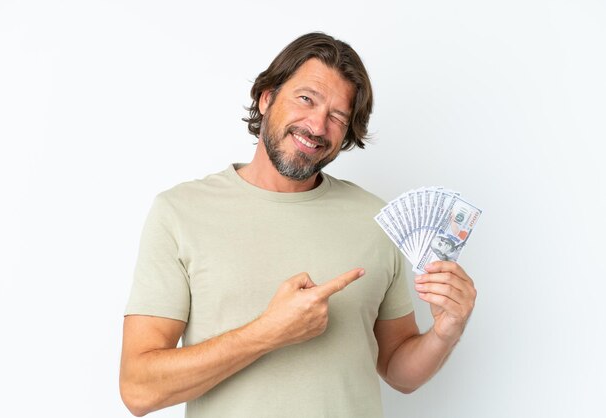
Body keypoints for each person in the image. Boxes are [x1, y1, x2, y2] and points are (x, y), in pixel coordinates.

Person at [120, 32, 477, 418]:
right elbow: (139, 390)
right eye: (306, 99)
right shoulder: (180, 212)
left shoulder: (377, 221)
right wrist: (266, 333)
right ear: (267, 97)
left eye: (337, 116)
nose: (317, 126)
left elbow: (399, 372)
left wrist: (445, 331)